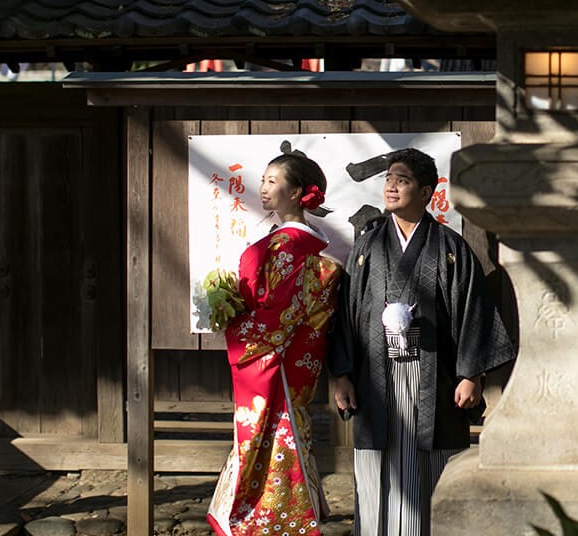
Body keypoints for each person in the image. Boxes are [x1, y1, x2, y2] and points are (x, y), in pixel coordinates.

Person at [327, 148, 515, 536]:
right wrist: (342, 374)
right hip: (374, 378)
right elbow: (346, 313)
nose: (392, 186)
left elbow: (472, 312)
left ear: (427, 191)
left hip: (435, 379)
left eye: (403, 180)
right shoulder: (367, 248)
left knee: (432, 471)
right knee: (378, 474)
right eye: (389, 179)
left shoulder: (450, 248)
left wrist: (472, 375)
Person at [207, 153, 341, 536]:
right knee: (287, 439)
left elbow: (275, 319)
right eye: (263, 180)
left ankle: (268, 524)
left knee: (273, 444)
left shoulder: (287, 248)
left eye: (272, 181)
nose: (263, 188)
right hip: (293, 361)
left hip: (274, 361)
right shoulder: (310, 247)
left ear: (297, 192)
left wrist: (234, 322)